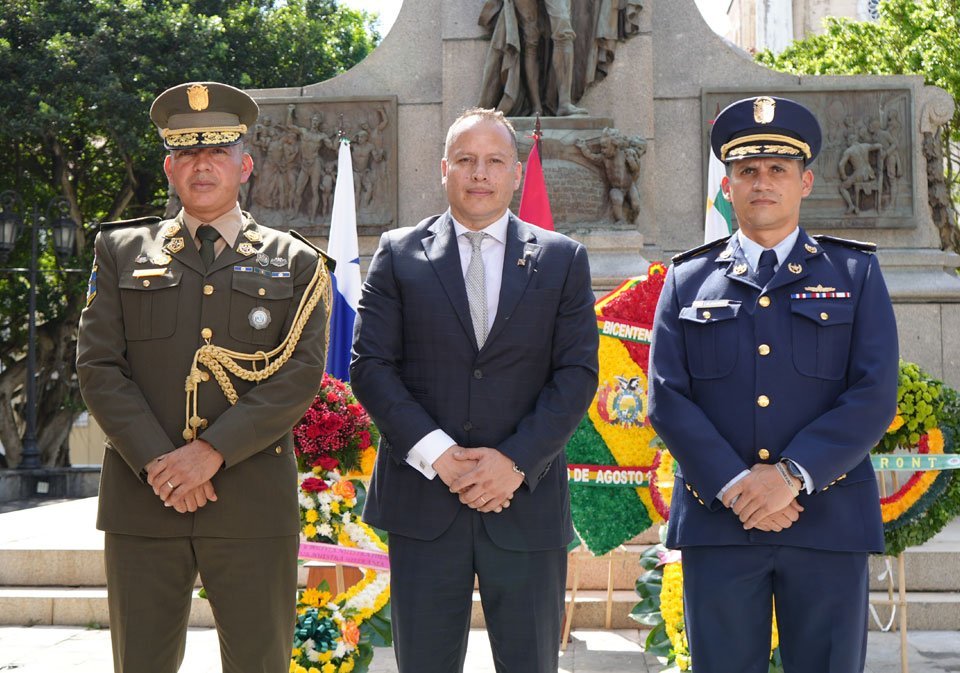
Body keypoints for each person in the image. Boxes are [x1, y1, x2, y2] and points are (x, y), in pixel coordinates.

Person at [76, 81, 331, 673]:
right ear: (170, 168)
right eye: (188, 152)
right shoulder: (121, 251)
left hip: (251, 503)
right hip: (145, 500)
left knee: (259, 663)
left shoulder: (296, 262)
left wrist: (210, 453)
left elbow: (299, 374)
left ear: (246, 166)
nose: (202, 164)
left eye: (217, 151)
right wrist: (161, 465)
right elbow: (98, 367)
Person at [647, 95, 899, 673]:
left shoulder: (854, 273)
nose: (762, 182)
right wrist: (739, 486)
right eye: (747, 171)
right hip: (720, 522)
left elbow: (873, 393)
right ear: (728, 186)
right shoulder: (687, 279)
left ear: (805, 182)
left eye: (778, 169)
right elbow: (667, 396)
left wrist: (789, 477)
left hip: (826, 521)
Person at [350, 108, 599, 673]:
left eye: (494, 161)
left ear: (516, 173)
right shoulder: (398, 253)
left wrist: (513, 462)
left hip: (524, 500)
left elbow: (576, 373)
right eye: (465, 160)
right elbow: (371, 366)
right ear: (445, 169)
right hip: (423, 502)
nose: (479, 173)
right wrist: (439, 454)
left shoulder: (561, 259)